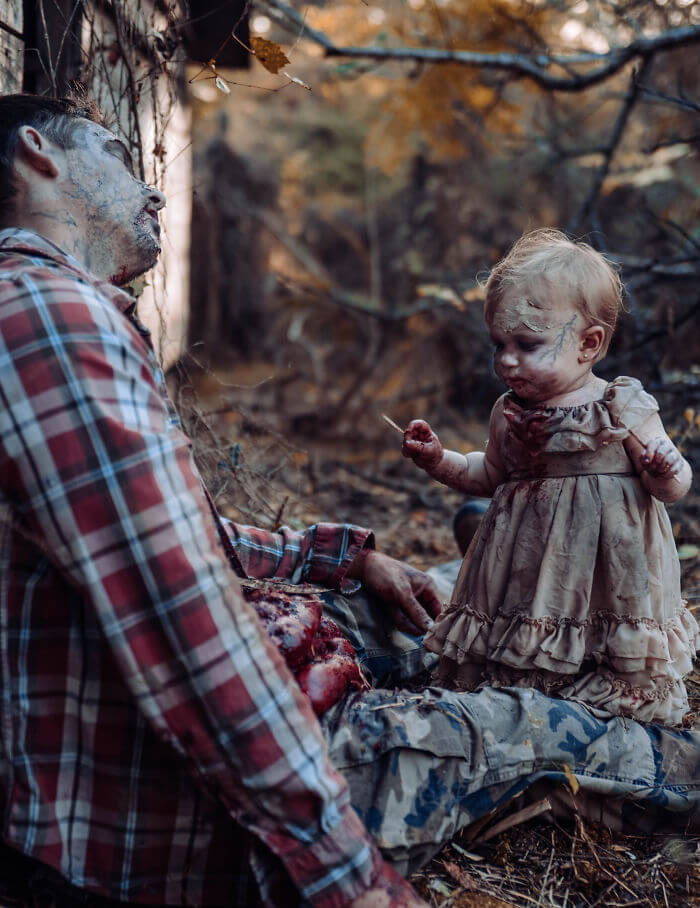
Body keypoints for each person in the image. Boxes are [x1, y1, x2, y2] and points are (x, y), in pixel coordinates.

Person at [0, 96, 697, 908]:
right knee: (536, 726)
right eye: (121, 153)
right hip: (190, 790)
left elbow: (174, 545)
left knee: (451, 593)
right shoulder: (48, 317)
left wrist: (347, 555)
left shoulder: (55, 312)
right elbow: (184, 629)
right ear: (37, 152)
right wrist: (349, 880)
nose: (154, 190)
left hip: (256, 676)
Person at [402, 229, 699, 725]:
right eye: (499, 343)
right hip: (527, 571)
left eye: (527, 343)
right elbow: (489, 473)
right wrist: (438, 459)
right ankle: (528, 692)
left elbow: (671, 486)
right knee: (524, 654)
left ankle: (611, 703)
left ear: (589, 343)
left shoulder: (619, 405)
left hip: (609, 572)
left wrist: (665, 471)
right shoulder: (509, 411)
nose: (507, 359)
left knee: (606, 651)